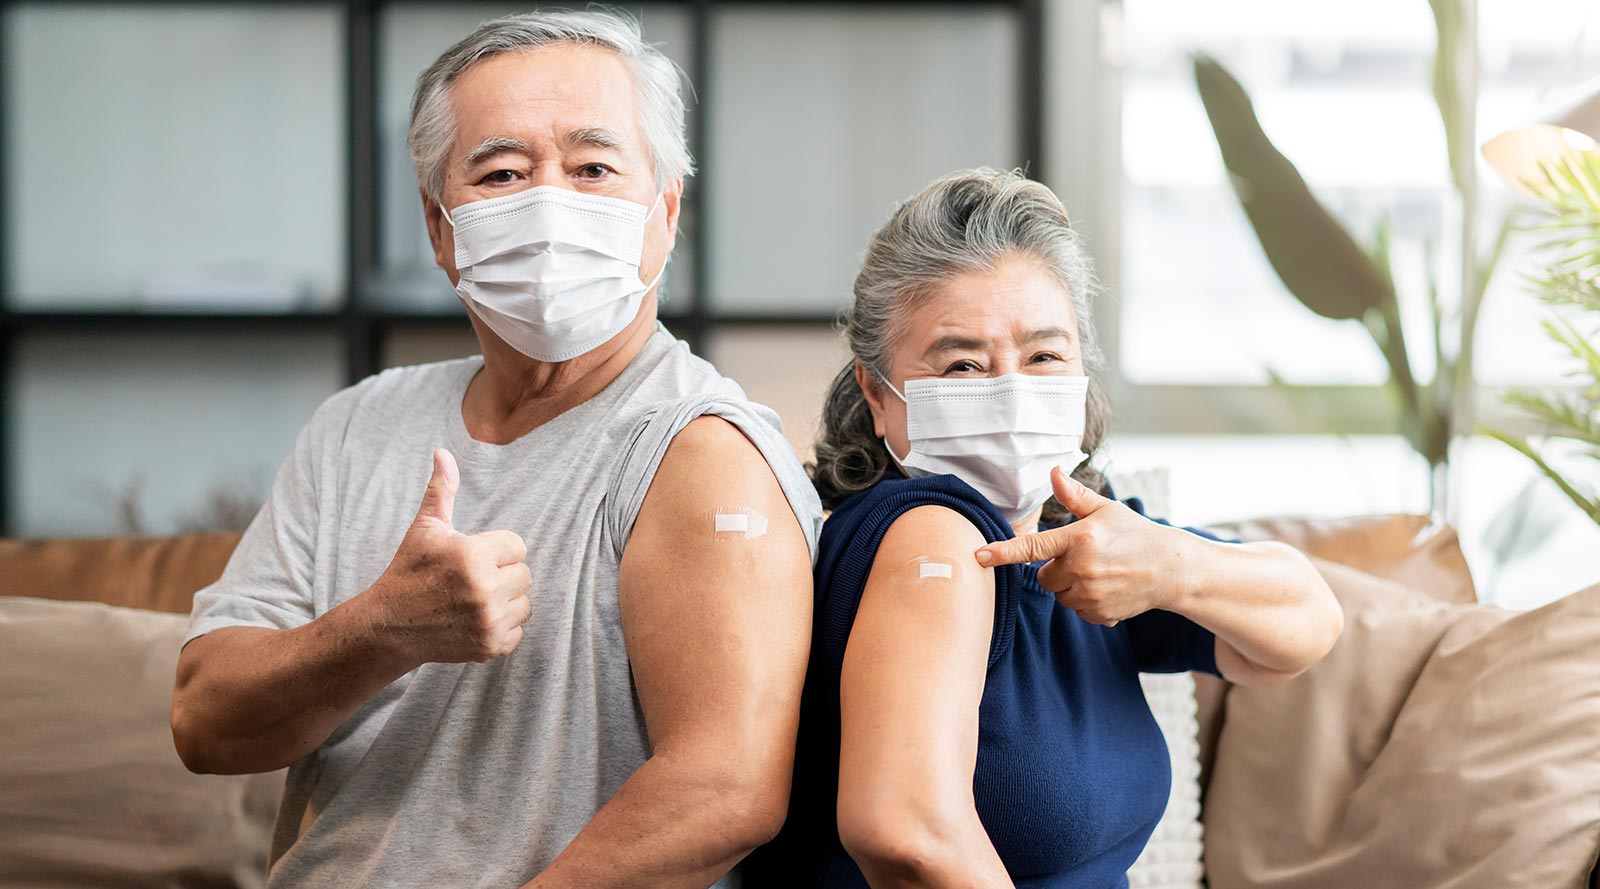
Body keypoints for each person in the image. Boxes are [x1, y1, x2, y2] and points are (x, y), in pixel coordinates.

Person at [169, 11, 821, 888]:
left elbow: (723, 790)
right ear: (441, 232)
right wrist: (383, 629)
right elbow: (207, 722)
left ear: (663, 216)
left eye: (594, 168)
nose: (551, 203)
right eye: (503, 172)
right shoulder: (361, 423)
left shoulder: (703, 451)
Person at [747, 168, 1344, 888]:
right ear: (878, 394)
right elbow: (904, 830)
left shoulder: (1085, 536)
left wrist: (1169, 564)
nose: (1013, 389)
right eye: (963, 364)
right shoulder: (929, 532)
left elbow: (1308, 625)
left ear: (1080, 372)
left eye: (1044, 356)